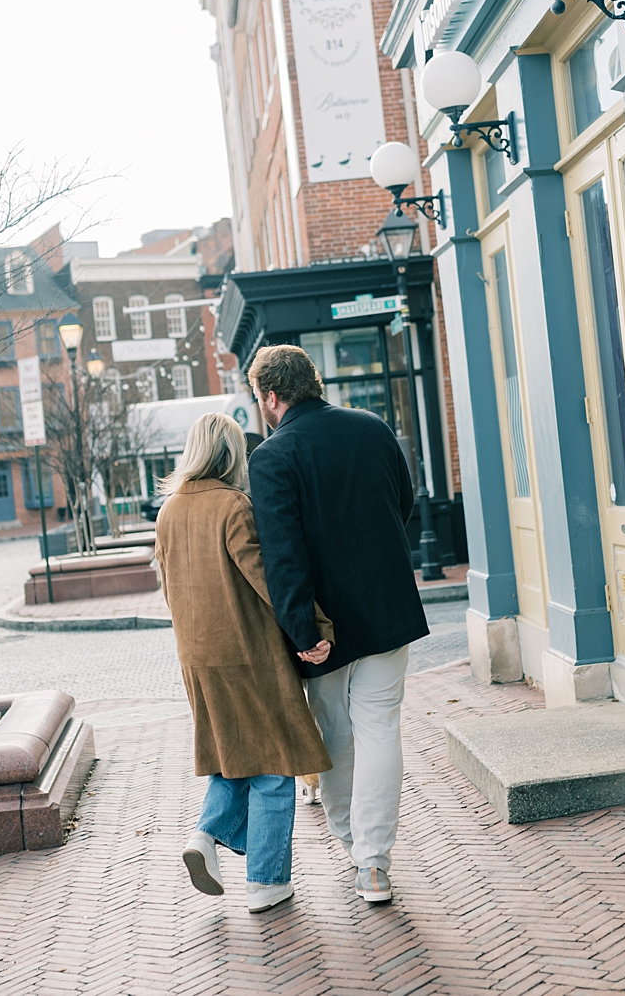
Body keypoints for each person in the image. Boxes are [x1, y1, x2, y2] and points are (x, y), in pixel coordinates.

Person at [246, 343, 430, 906]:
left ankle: (354, 842)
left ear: (271, 397)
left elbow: (283, 557)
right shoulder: (372, 428)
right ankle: (372, 864)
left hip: (322, 629)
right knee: (380, 730)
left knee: (335, 736)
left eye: (260, 400)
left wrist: (303, 632)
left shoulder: (273, 457)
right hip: (386, 607)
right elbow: (406, 503)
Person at [155, 412, 333, 915]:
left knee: (236, 754)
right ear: (232, 455)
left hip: (198, 656)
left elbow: (168, 590)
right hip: (247, 655)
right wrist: (312, 628)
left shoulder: (168, 512)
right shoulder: (234, 506)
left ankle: (206, 835)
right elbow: (268, 578)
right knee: (275, 763)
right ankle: (266, 880)